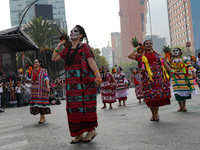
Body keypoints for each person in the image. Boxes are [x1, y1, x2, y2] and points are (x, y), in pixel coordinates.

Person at [51, 25, 102, 143]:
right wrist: (60, 44)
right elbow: (54, 58)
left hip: (84, 84)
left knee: (85, 107)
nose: (72, 33)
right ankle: (78, 134)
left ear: (80, 35)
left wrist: (97, 75)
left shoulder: (85, 47)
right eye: (71, 31)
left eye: (75, 31)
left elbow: (91, 61)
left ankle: (91, 131)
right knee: (73, 109)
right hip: (71, 85)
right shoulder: (67, 49)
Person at [128, 40, 172, 121]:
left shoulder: (157, 55)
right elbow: (129, 55)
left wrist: (171, 71)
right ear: (144, 46)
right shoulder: (140, 55)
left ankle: (156, 114)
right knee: (150, 97)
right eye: (147, 44)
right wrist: (137, 48)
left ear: (152, 45)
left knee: (157, 97)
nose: (149, 45)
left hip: (158, 79)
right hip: (147, 80)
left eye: (150, 43)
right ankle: (153, 114)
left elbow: (164, 64)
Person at [28, 59, 51, 124]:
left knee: (41, 104)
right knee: (37, 105)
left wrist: (48, 87)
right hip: (34, 91)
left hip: (42, 90)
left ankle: (42, 117)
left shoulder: (43, 70)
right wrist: (28, 71)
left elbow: (46, 79)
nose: (35, 63)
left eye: (36, 62)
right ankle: (43, 117)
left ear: (40, 63)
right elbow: (29, 78)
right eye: (34, 62)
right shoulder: (32, 71)